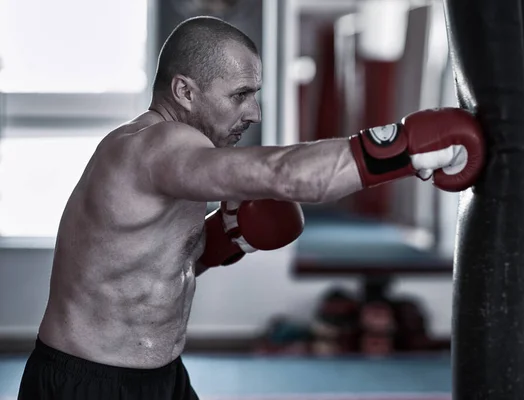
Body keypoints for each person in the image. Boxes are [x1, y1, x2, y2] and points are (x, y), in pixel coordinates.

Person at [17, 16, 485, 400]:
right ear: (185, 92)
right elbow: (284, 174)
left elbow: (150, 266)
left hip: (159, 378)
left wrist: (223, 239)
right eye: (241, 95)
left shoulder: (171, 158)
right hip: (89, 386)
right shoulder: (158, 146)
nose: (255, 112)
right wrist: (406, 149)